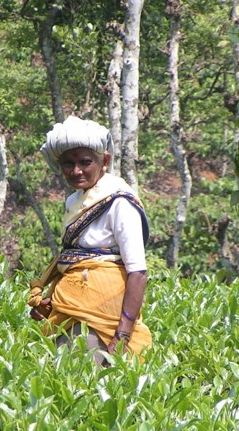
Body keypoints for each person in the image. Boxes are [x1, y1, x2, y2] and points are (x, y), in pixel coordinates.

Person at [28, 115, 151, 365]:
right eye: (68, 163)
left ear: (104, 161)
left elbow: (137, 272)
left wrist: (122, 335)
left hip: (104, 316)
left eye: (85, 162)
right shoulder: (74, 201)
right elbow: (75, 261)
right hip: (69, 311)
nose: (76, 171)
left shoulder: (119, 202)